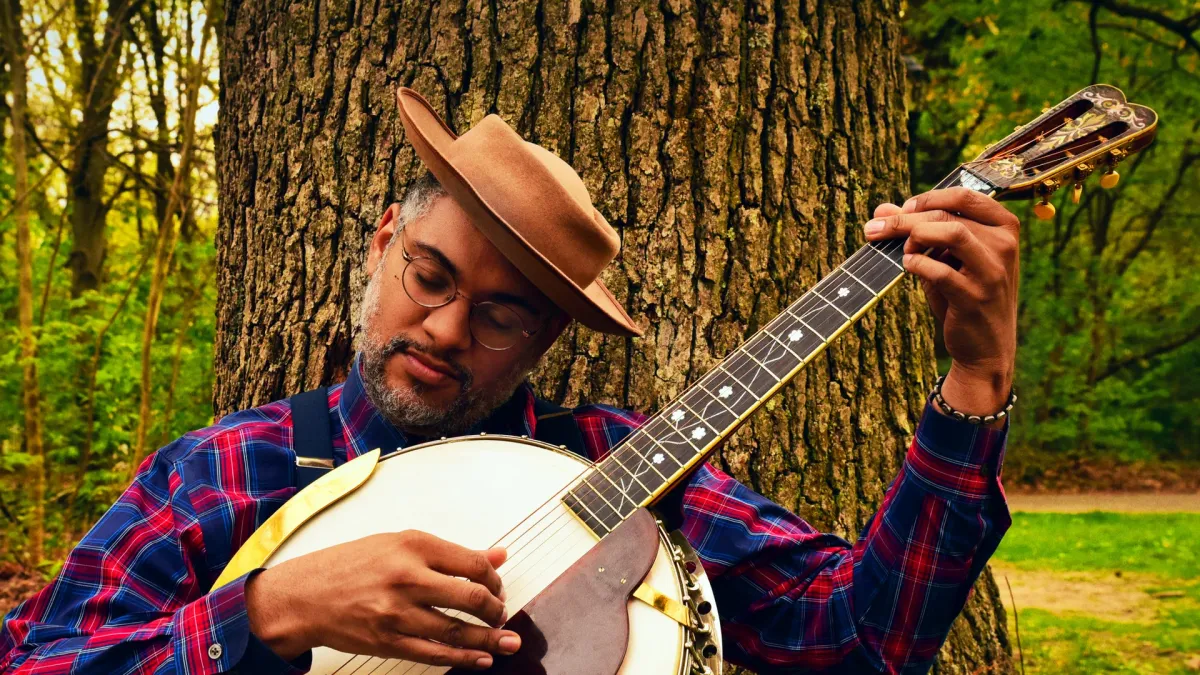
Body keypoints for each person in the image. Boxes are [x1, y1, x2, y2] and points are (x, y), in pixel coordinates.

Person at [0, 87, 1017, 674]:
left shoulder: (621, 467)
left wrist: (974, 383)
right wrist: (265, 610)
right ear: (381, 243)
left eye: (500, 314)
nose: (443, 330)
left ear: (542, 341)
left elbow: (862, 640)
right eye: (430, 276)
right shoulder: (226, 471)